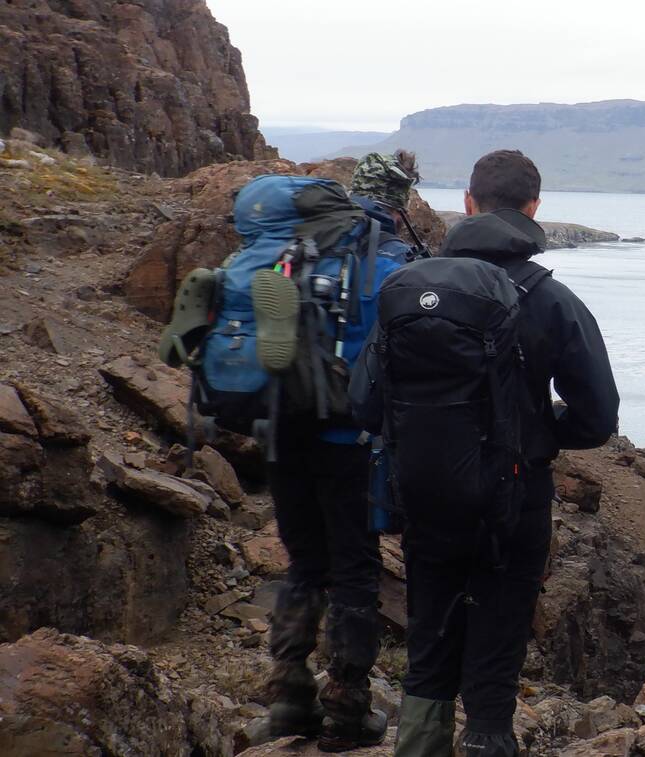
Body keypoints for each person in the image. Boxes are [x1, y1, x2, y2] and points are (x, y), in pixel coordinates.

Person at [351, 149, 619, 757]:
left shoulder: (406, 290)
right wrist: (541, 433)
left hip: (423, 494)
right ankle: (489, 740)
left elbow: (364, 405)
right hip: (514, 500)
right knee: (498, 633)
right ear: (534, 209)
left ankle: (419, 746)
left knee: (429, 636)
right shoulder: (552, 301)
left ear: (468, 204)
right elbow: (598, 418)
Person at [263, 152, 420, 752]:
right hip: (348, 441)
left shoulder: (291, 248)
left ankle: (286, 698)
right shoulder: (393, 261)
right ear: (398, 200)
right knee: (355, 570)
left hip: (281, 432)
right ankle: (347, 710)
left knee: (304, 565)